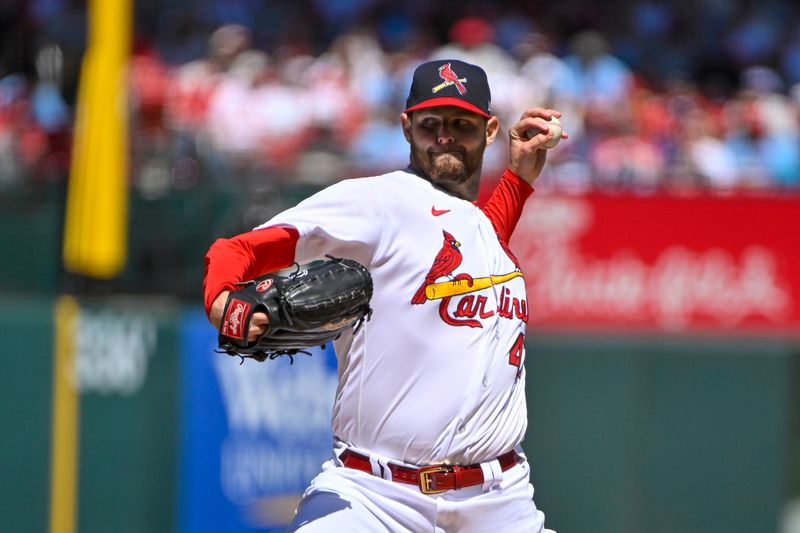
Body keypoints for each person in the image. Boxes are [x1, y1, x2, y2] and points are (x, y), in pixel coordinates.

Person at [203, 59, 565, 532]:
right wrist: (222, 302)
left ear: (490, 129)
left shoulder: (482, 229)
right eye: (430, 124)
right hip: (375, 499)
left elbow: (471, 241)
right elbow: (239, 250)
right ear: (406, 127)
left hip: (500, 501)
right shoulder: (377, 201)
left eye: (462, 124)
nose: (445, 136)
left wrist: (518, 179)